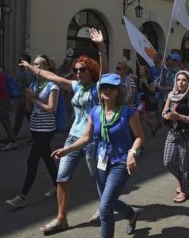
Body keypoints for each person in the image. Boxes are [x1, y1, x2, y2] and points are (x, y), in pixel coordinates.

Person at [19, 28, 107, 232]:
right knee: (62, 178)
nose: (77, 72)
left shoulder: (99, 87)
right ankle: (61, 219)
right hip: (73, 138)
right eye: (76, 69)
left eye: (82, 70)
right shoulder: (75, 86)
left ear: (91, 71)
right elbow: (53, 77)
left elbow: (104, 68)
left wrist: (101, 46)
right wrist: (33, 68)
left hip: (93, 140)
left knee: (98, 178)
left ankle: (105, 206)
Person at [52, 73, 144, 238]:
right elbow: (86, 138)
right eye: (104, 87)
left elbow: (139, 137)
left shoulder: (127, 112)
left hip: (120, 162)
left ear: (119, 91)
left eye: (111, 88)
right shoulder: (95, 112)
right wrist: (67, 150)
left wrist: (131, 153)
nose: (107, 90)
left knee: (105, 207)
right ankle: (131, 214)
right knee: (107, 202)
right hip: (101, 162)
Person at [5, 55, 59, 207]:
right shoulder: (34, 84)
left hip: (47, 129)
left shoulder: (52, 86)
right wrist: (29, 99)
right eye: (35, 64)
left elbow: (51, 108)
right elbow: (29, 109)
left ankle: (22, 197)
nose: (36, 67)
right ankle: (58, 184)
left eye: (40, 65)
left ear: (47, 68)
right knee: (47, 158)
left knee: (32, 160)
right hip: (35, 127)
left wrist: (34, 100)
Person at [162, 70, 189, 203]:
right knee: (168, 162)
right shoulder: (171, 95)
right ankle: (181, 180)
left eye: (184, 80)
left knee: (185, 165)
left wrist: (179, 117)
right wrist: (165, 115)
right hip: (172, 133)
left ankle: (184, 191)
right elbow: (164, 110)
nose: (181, 82)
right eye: (178, 80)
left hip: (187, 135)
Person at [13, 54, 35, 138]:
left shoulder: (28, 73)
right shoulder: (21, 72)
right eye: (18, 60)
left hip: (24, 100)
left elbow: (30, 87)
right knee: (29, 118)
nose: (18, 62)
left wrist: (28, 101)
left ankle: (12, 137)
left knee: (19, 118)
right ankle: (35, 136)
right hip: (21, 98)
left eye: (20, 61)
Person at [136, 65, 158, 136]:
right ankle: (137, 132)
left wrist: (147, 85)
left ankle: (153, 127)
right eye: (139, 70)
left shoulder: (149, 79)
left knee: (145, 119)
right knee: (137, 116)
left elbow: (154, 90)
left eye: (142, 69)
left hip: (147, 100)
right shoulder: (138, 79)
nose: (140, 71)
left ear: (145, 71)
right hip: (140, 100)